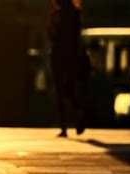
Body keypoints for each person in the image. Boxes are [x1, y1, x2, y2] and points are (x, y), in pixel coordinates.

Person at [47, 0, 88, 137]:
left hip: (59, 54)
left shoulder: (56, 14)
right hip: (71, 55)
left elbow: (50, 34)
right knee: (68, 89)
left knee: (60, 90)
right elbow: (77, 37)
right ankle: (78, 117)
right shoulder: (76, 13)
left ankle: (65, 126)